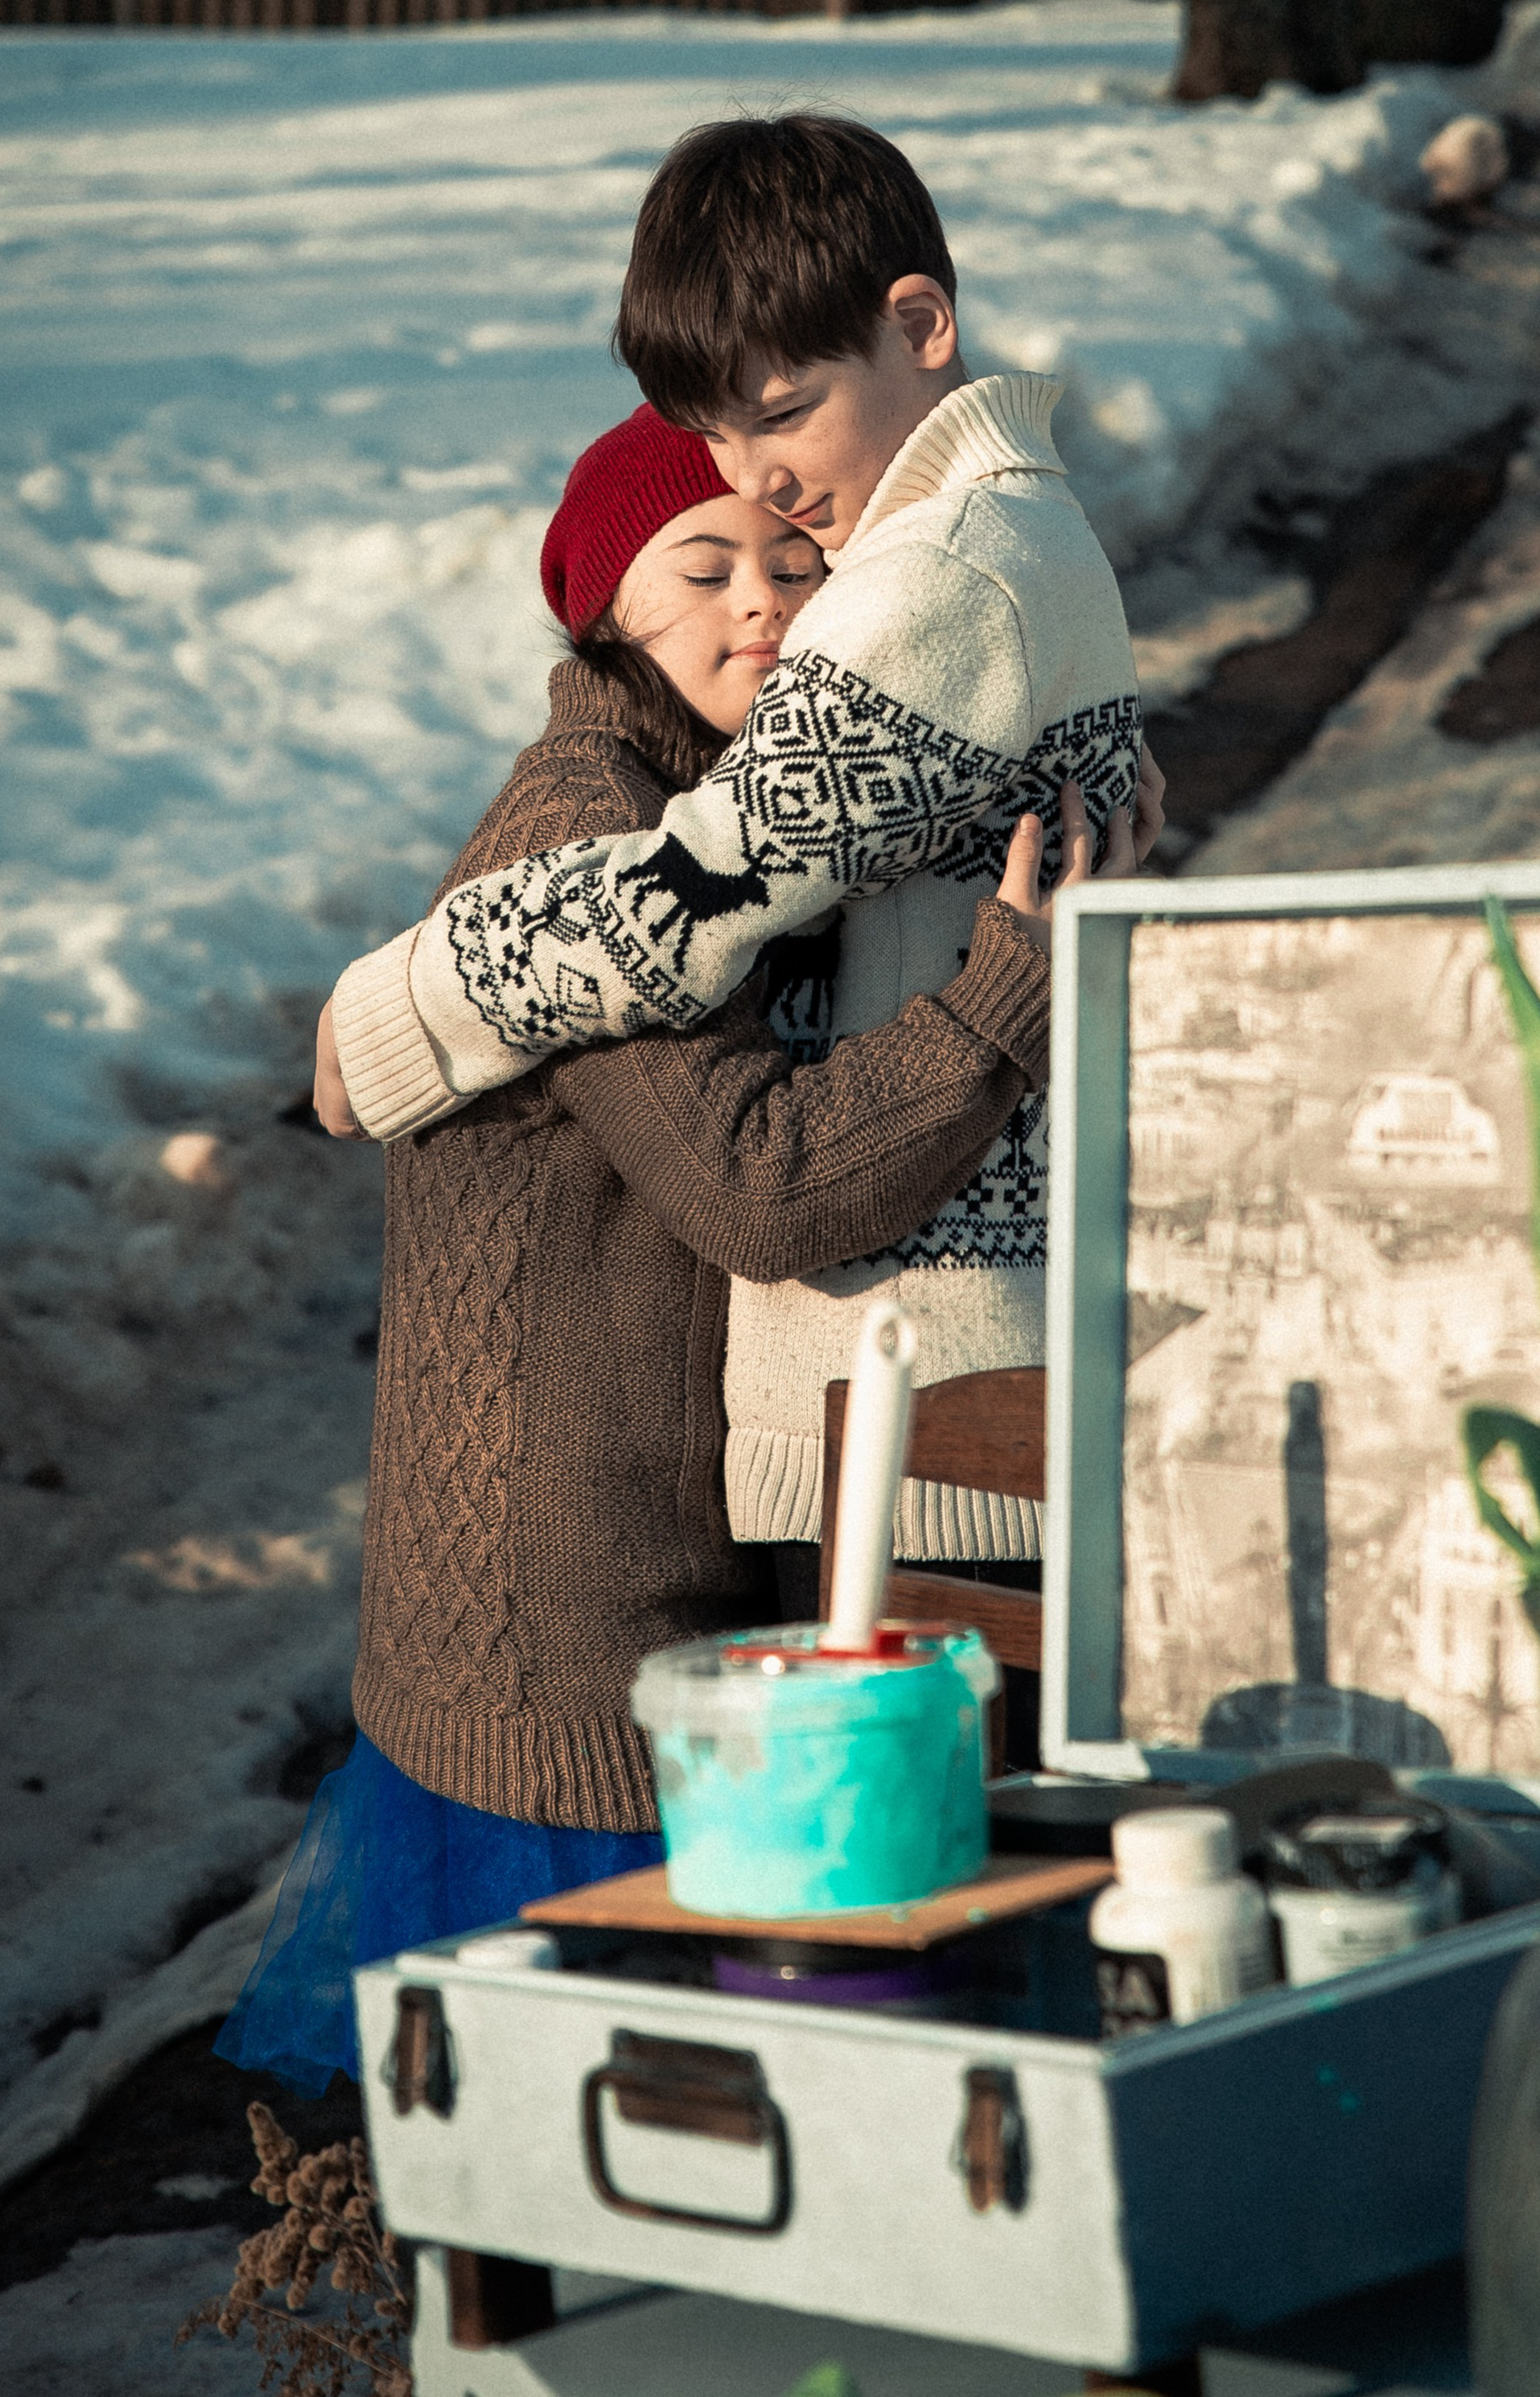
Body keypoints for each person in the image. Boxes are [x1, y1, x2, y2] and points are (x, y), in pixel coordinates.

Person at [222, 404, 1126, 2093]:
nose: (760, 605)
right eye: (699, 568)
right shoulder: (592, 832)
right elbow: (765, 1184)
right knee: (602, 2131)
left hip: (659, 1586)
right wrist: (1011, 980)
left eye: (798, 564)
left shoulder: (730, 814)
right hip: (559, 1627)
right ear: (602, 614)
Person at [320, 112, 1147, 1579]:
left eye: (779, 411)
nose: (749, 474)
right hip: (938, 1364)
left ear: (921, 324)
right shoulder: (983, 539)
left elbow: (711, 880)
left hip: (918, 1385)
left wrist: (406, 1000)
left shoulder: (948, 570)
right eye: (715, 431)